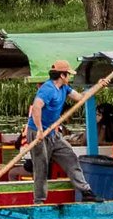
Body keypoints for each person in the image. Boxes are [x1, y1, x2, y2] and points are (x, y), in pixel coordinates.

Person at [27, 60, 99, 204]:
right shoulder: (48, 89)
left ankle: (86, 192)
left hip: (52, 133)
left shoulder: (64, 88)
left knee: (70, 157)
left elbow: (81, 98)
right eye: (68, 74)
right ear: (62, 75)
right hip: (37, 132)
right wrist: (40, 130)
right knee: (41, 166)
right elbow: (36, 107)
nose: (70, 77)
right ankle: (39, 201)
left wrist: (98, 86)